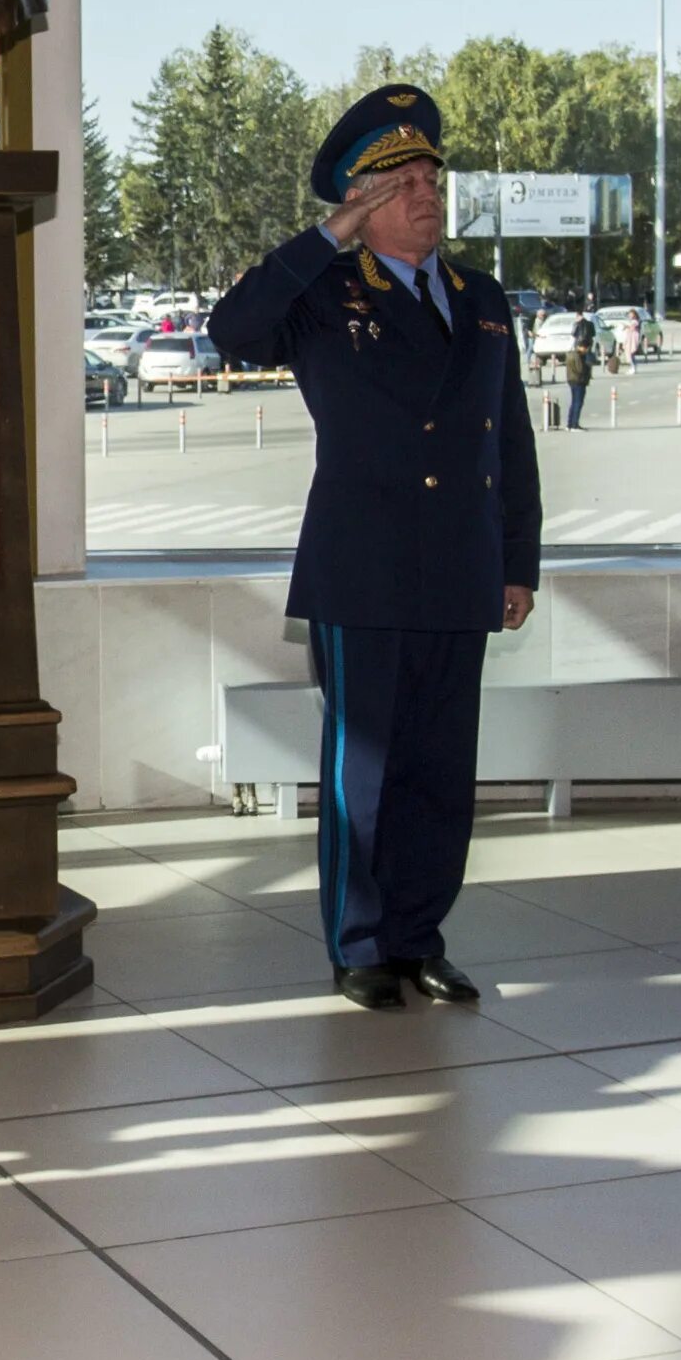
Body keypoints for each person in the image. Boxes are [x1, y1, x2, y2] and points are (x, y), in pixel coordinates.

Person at [209, 84, 540, 1011]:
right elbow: (228, 330)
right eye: (402, 182)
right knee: (367, 765)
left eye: (432, 175)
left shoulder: (479, 298)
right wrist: (329, 239)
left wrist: (519, 560)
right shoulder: (323, 293)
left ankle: (419, 936)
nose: (428, 192)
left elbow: (507, 437)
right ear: (359, 202)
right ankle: (359, 942)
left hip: (462, 565)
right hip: (365, 567)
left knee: (440, 767)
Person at [562, 335, 594, 430]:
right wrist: (587, 366)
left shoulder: (571, 354)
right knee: (578, 403)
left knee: (574, 402)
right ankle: (574, 424)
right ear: (582, 347)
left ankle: (570, 424)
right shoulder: (578, 356)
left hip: (572, 380)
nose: (587, 350)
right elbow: (580, 369)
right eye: (586, 348)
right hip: (578, 381)